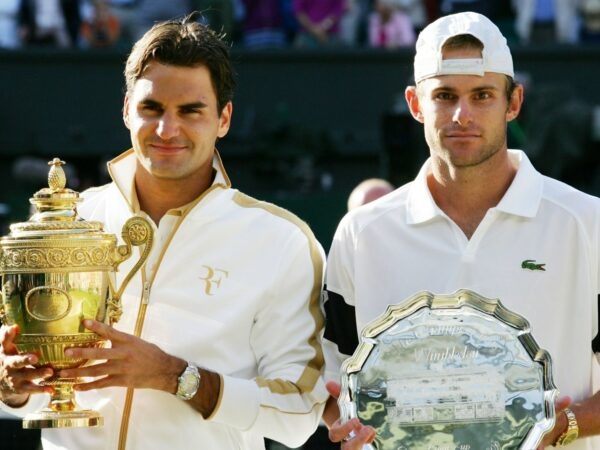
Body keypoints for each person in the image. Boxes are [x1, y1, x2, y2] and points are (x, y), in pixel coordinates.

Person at [0, 14, 328, 450]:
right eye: (151, 109)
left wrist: (176, 377)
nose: (167, 130)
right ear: (125, 110)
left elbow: (300, 411)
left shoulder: (282, 240)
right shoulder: (70, 220)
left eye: (190, 111)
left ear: (224, 118)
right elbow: (16, 392)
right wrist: (12, 384)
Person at [322, 11, 600, 449]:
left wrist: (559, 426)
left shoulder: (588, 223)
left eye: (483, 95)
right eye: (445, 95)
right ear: (416, 104)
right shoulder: (361, 233)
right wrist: (345, 420)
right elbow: (331, 381)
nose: (462, 114)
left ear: (514, 102)